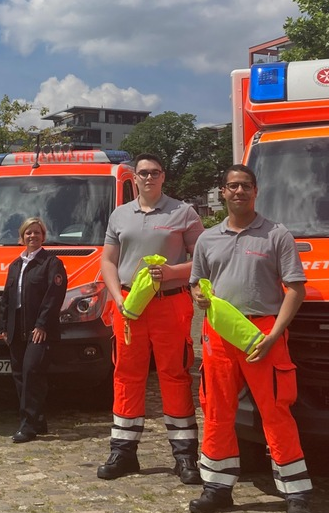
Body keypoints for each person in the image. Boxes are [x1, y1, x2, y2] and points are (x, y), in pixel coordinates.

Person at [188, 165, 312, 513]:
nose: (238, 192)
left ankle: (296, 493)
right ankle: (217, 488)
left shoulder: (277, 234)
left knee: (276, 411)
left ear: (255, 191)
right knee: (216, 411)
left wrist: (275, 335)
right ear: (223, 192)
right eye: (232, 186)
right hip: (219, 335)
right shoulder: (207, 239)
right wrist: (198, 295)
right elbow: (197, 281)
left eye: (245, 186)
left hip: (263, 334)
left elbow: (296, 289)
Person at [98, 153, 205, 484]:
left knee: (174, 375)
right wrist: (117, 298)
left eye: (154, 173)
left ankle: (185, 456)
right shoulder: (119, 215)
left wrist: (173, 271)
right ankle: (123, 453)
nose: (148, 178)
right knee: (126, 375)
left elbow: (206, 257)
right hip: (129, 306)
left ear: (163, 177)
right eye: (142, 173)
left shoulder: (183, 212)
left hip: (169, 304)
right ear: (136, 177)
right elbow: (108, 262)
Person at [2, 217, 67, 443]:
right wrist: (4, 326)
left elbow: (53, 297)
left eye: (37, 233)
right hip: (16, 328)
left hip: (39, 329)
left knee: (31, 372)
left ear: (43, 237)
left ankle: (28, 425)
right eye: (28, 233)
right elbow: (7, 299)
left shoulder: (51, 263)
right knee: (20, 375)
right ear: (22, 238)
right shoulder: (15, 265)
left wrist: (42, 325)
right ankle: (37, 420)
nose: (32, 236)